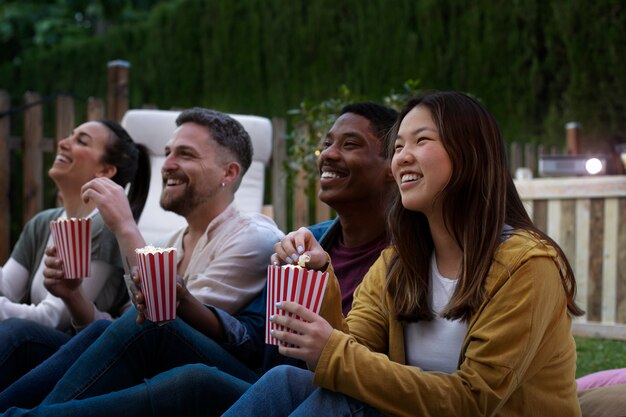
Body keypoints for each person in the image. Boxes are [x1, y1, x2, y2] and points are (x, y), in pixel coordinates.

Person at [0, 103, 398, 416]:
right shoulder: (311, 239)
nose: (327, 154)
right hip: (270, 370)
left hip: (305, 384)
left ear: (391, 168)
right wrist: (73, 296)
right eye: (326, 143)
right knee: (28, 332)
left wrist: (127, 229)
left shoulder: (393, 256)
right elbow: (254, 336)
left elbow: (179, 331)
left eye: (349, 144)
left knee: (170, 350)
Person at [223, 91, 584, 417]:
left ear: (470, 153)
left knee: (343, 401)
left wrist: (333, 351)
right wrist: (322, 282)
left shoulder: (526, 265)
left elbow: (475, 400)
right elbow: (354, 352)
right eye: (397, 147)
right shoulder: (397, 263)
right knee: (286, 379)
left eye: (421, 140)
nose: (402, 157)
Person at [0, 107, 283, 412]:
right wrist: (73, 296)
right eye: (167, 153)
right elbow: (118, 330)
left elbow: (165, 326)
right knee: (21, 334)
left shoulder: (252, 238)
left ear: (228, 172)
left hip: (224, 374)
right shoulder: (171, 244)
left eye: (185, 155)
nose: (168, 165)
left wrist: (124, 226)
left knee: (146, 325)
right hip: (155, 356)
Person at [0, 119, 150, 391]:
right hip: (38, 349)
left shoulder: (105, 229)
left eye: (81, 141)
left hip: (76, 354)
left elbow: (53, 319)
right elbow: (6, 286)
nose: (62, 142)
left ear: (105, 171)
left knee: (15, 333)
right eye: (70, 135)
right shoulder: (43, 221)